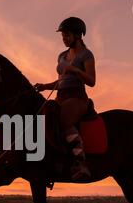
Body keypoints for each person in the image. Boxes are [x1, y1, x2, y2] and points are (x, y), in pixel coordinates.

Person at [34, 17, 96, 180]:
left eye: (67, 35)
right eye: (62, 36)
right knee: (44, 115)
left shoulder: (86, 55)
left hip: (77, 97)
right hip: (61, 95)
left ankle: (80, 162)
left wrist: (74, 70)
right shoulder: (62, 55)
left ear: (78, 35)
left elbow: (91, 81)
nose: (64, 39)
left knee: (64, 119)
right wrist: (45, 86)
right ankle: (55, 157)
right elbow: (61, 81)